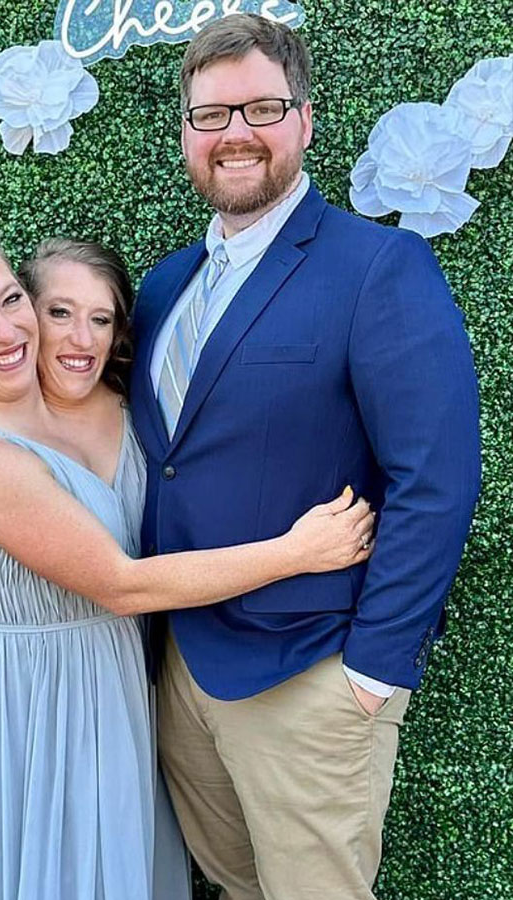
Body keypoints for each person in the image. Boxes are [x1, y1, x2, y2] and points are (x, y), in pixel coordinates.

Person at [0, 221, 375, 900]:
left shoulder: (95, 404)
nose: (6, 329)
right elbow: (121, 584)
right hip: (33, 709)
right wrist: (296, 552)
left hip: (114, 686)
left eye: (10, 299)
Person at [129, 14, 481, 900]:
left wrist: (372, 674)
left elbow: (435, 479)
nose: (235, 133)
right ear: (186, 132)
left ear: (305, 121)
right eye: (211, 115)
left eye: (261, 108)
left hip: (311, 673)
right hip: (182, 674)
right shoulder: (165, 285)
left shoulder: (378, 266)